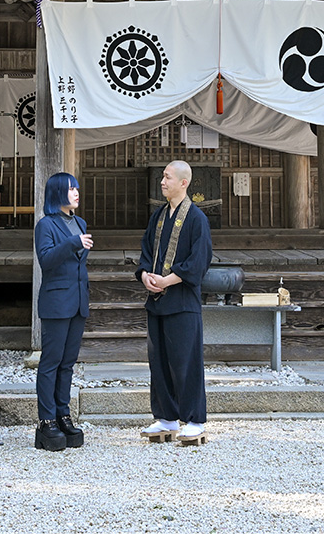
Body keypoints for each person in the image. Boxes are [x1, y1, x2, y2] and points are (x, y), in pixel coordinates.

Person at [136, 159, 213, 443]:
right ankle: (166, 418)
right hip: (156, 301)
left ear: (184, 182)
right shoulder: (157, 216)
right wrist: (145, 274)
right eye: (162, 177)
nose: (162, 182)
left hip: (182, 301)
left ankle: (194, 420)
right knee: (159, 362)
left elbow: (199, 260)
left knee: (186, 362)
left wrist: (168, 280)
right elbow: (145, 250)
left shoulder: (196, 219)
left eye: (167, 177)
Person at [34, 171, 93, 452]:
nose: (76, 192)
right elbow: (46, 260)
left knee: (68, 364)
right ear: (58, 193)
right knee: (50, 363)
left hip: (78, 302)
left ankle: (63, 414)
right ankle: (46, 421)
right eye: (71, 189)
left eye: (77, 188)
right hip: (56, 303)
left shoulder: (79, 222)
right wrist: (73, 243)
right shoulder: (46, 225)